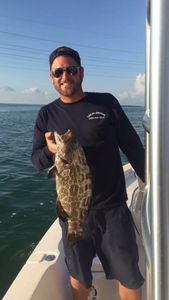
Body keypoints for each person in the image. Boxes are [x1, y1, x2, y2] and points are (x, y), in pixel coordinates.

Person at [31, 46, 145, 300]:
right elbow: (36, 161)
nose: (65, 76)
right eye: (58, 71)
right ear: (51, 77)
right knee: (79, 276)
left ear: (81, 72)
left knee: (128, 275)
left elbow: (134, 149)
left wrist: (159, 186)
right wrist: (51, 152)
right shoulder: (46, 114)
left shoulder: (106, 103)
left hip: (112, 210)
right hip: (71, 212)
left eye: (70, 69)